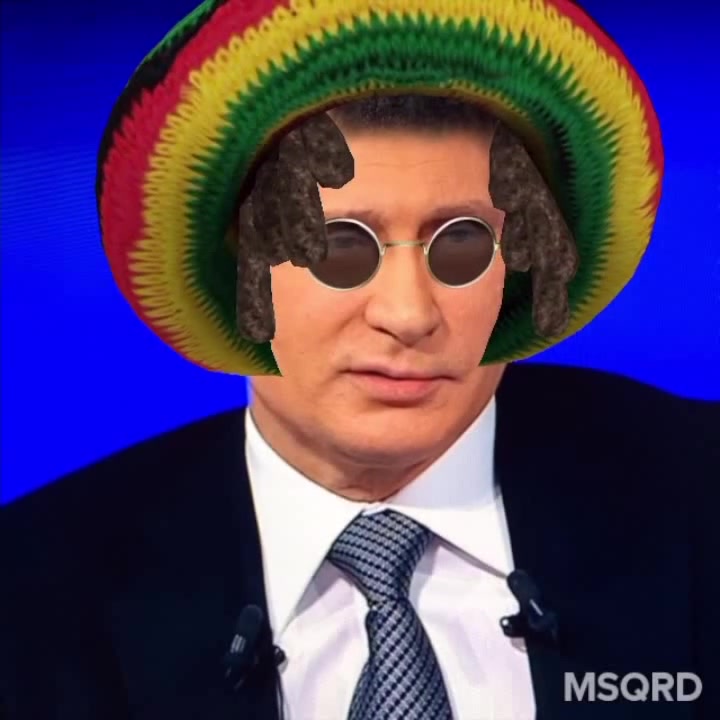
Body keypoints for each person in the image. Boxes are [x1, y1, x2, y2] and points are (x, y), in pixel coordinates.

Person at [2, 1, 718, 719]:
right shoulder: (32, 591)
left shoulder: (694, 486)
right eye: (339, 246)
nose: (408, 313)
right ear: (240, 267)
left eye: (461, 243)